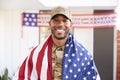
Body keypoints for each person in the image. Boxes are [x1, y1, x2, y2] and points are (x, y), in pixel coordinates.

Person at [12, 6, 100, 80]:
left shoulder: (83, 55)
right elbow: (22, 76)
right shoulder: (36, 54)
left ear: (71, 24)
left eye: (65, 20)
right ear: (50, 23)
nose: (60, 24)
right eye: (56, 20)